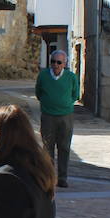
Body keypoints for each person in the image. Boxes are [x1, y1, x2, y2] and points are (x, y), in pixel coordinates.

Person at [34, 48, 78, 188]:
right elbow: (38, 92)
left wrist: (65, 104)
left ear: (64, 63)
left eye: (59, 62)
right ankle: (48, 176)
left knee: (64, 147)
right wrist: (48, 103)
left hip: (66, 116)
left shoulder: (71, 77)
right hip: (48, 116)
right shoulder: (43, 76)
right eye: (53, 61)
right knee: (47, 147)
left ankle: (63, 177)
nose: (56, 65)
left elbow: (75, 94)